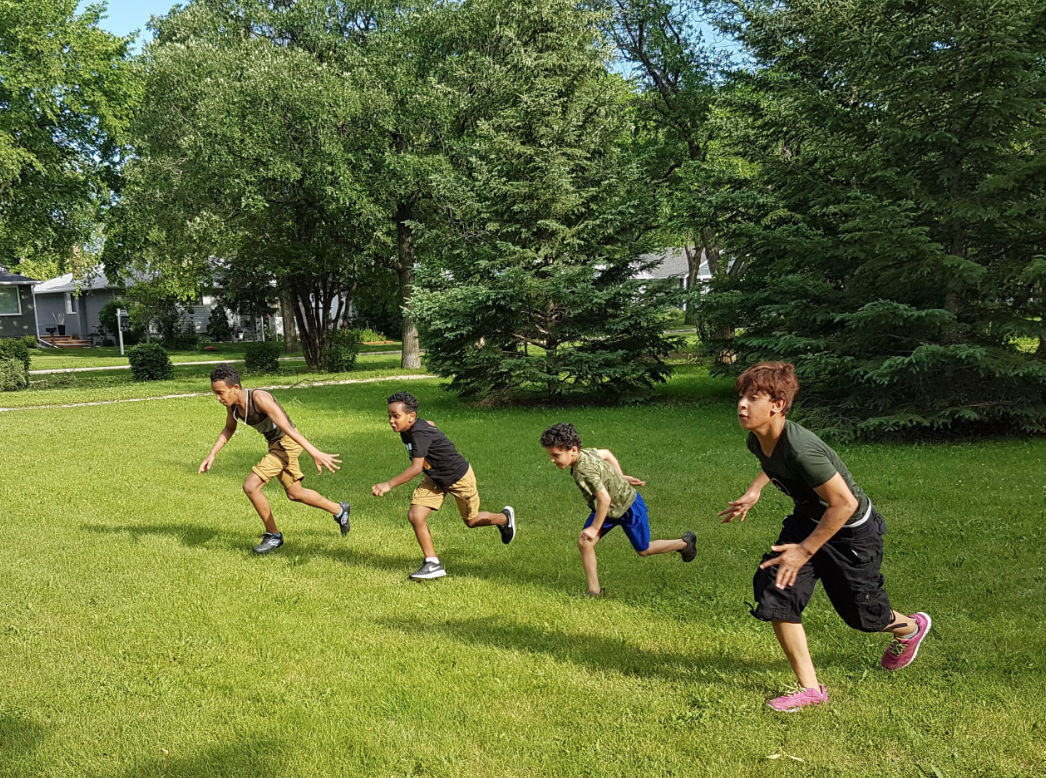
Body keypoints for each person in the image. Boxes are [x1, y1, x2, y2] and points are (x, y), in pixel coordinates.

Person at [720, 361, 931, 712]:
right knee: (776, 589)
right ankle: (811, 689)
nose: (742, 404)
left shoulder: (803, 449)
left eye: (754, 397)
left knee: (864, 616)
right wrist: (755, 490)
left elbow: (844, 504)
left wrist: (804, 550)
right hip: (809, 519)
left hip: (850, 531)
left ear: (777, 405)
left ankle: (910, 627)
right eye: (742, 396)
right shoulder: (757, 439)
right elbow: (772, 463)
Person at [199, 363, 350, 554]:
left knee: (251, 486)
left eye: (221, 393)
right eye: (216, 394)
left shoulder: (260, 398)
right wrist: (212, 454)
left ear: (235, 388)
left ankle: (274, 535)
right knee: (295, 493)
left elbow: (287, 427)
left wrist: (315, 452)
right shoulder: (234, 407)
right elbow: (229, 428)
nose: (218, 398)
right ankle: (339, 510)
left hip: (286, 443)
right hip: (275, 444)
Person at [540, 423, 696, 597]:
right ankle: (594, 591)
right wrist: (619, 476)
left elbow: (604, 498)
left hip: (628, 507)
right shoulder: (586, 453)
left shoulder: (585, 470)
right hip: (607, 510)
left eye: (556, 455)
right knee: (585, 542)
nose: (552, 460)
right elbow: (606, 453)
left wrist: (594, 528)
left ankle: (685, 543)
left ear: (573, 450)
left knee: (643, 550)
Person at [371, 391, 515, 580]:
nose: (391, 421)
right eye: (389, 416)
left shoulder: (418, 433)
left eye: (396, 416)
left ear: (411, 416)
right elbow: (429, 424)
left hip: (459, 478)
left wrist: (388, 484)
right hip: (435, 479)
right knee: (415, 515)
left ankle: (504, 519)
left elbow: (415, 468)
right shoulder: (408, 430)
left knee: (471, 521)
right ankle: (432, 563)